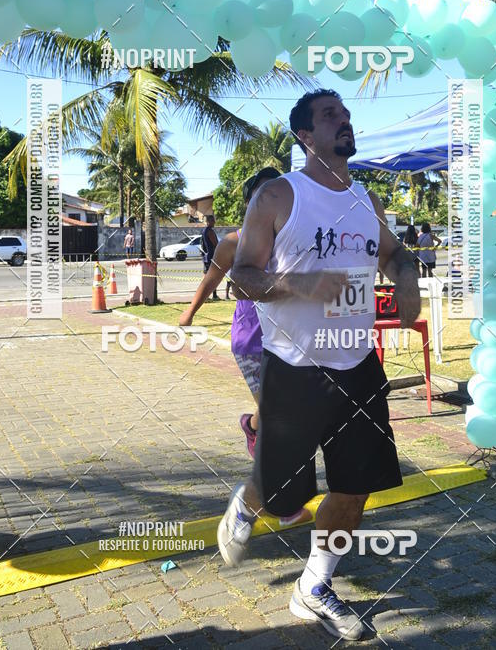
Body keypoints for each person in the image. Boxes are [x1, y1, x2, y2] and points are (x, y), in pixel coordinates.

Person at [218, 89, 421, 642]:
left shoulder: (365, 200)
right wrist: (298, 283)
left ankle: (313, 587)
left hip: (357, 366)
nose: (345, 121)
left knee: (355, 489)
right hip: (294, 368)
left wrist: (406, 281)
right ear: (305, 137)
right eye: (331, 115)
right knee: (285, 493)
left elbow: (394, 252)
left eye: (346, 114)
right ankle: (249, 499)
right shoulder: (279, 195)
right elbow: (243, 276)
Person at [179, 168, 281, 456]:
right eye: (263, 194)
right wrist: (189, 313)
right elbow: (212, 278)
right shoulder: (233, 242)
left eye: (277, 193)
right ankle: (259, 444)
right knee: (273, 408)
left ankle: (254, 427)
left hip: (288, 335)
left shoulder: (290, 238)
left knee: (282, 406)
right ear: (249, 203)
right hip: (251, 339)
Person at [200, 214, 220, 300]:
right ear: (208, 222)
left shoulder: (204, 231)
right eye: (212, 220)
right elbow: (216, 244)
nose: (214, 222)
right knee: (212, 277)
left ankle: (206, 295)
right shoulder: (210, 231)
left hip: (205, 257)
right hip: (211, 257)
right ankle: (212, 295)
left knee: (206, 277)